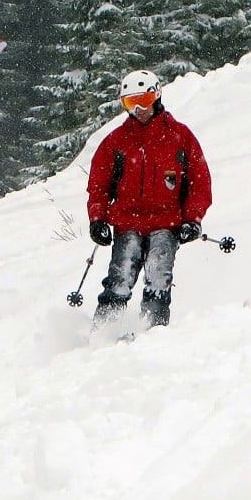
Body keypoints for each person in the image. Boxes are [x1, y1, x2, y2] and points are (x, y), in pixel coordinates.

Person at [86, 69, 212, 329]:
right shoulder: (116, 142)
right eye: (131, 103)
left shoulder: (179, 137)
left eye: (144, 100)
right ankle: (103, 332)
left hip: (166, 223)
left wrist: (192, 219)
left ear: (156, 96)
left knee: (158, 276)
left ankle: (152, 332)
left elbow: (199, 183)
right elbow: (98, 185)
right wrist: (98, 219)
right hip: (127, 223)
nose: (139, 109)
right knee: (120, 277)